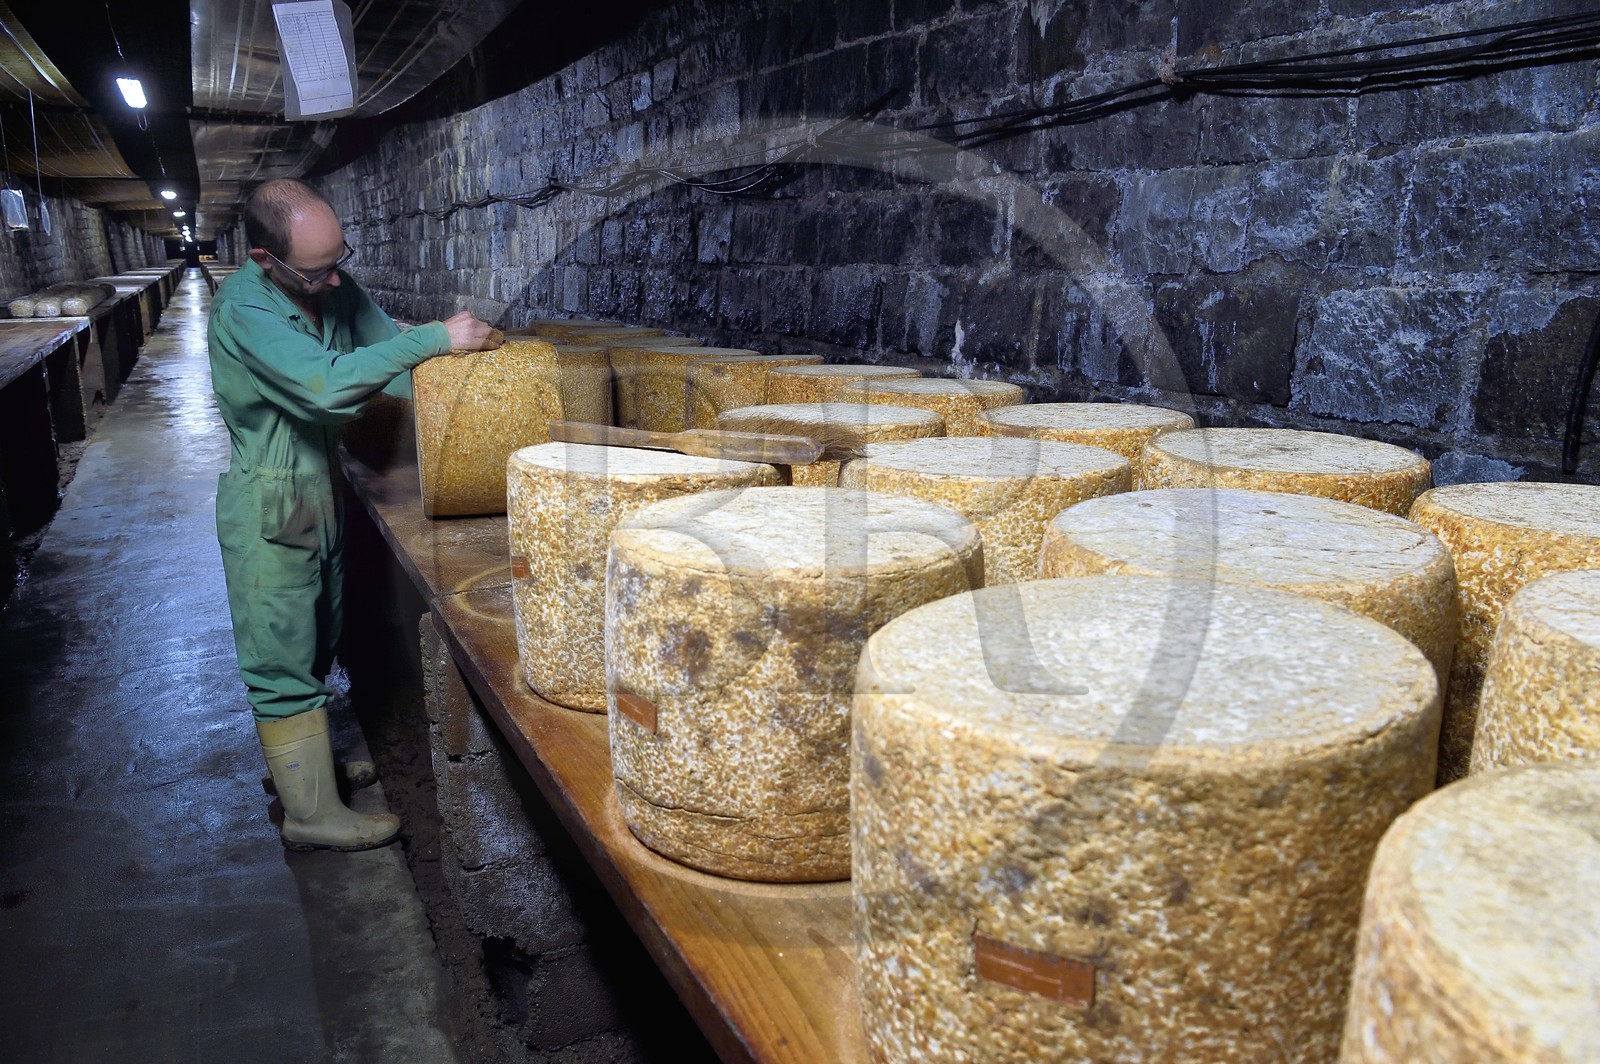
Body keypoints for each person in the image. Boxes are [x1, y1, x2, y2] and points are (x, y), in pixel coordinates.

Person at [208, 177, 501, 851]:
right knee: (279, 650)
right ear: (264, 259)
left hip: (320, 486)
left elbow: (391, 370)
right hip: (270, 495)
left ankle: (306, 771)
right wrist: (431, 337)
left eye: (339, 259)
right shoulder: (243, 309)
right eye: (317, 270)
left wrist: (475, 376)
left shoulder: (327, 285)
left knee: (314, 636)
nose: (336, 281)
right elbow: (328, 386)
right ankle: (311, 815)